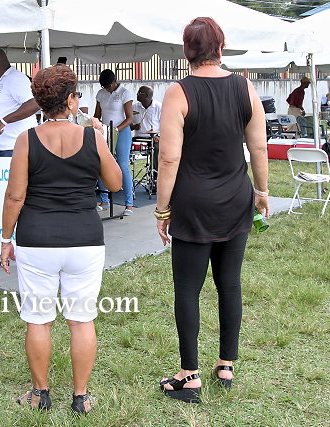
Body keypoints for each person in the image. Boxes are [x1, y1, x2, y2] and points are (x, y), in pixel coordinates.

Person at [156, 17, 269, 404]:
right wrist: (262, 191)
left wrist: (161, 210)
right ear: (221, 47)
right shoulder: (245, 87)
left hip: (193, 204)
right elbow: (258, 147)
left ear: (186, 51)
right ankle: (225, 365)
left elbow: (169, 158)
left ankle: (189, 375)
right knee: (230, 284)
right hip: (236, 198)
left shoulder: (178, 92)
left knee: (188, 289)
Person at [0, 65, 122, 414]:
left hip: (37, 239)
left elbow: (14, 196)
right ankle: (80, 397)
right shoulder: (92, 137)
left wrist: (5, 239)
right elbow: (115, 183)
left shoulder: (27, 139)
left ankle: (40, 394)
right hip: (85, 238)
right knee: (81, 320)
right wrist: (100, 137)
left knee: (38, 319)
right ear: (70, 100)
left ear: (41, 102)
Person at [0, 48, 39, 156]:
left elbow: (34, 104)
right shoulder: (2, 81)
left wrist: (3, 122)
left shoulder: (16, 78)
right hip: (2, 146)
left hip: (15, 147)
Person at [94, 69, 134, 215]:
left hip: (121, 132)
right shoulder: (101, 93)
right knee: (102, 164)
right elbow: (97, 115)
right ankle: (104, 200)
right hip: (105, 132)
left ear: (115, 81)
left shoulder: (124, 93)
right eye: (104, 87)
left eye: (109, 86)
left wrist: (116, 130)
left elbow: (130, 118)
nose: (107, 89)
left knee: (123, 166)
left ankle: (129, 204)